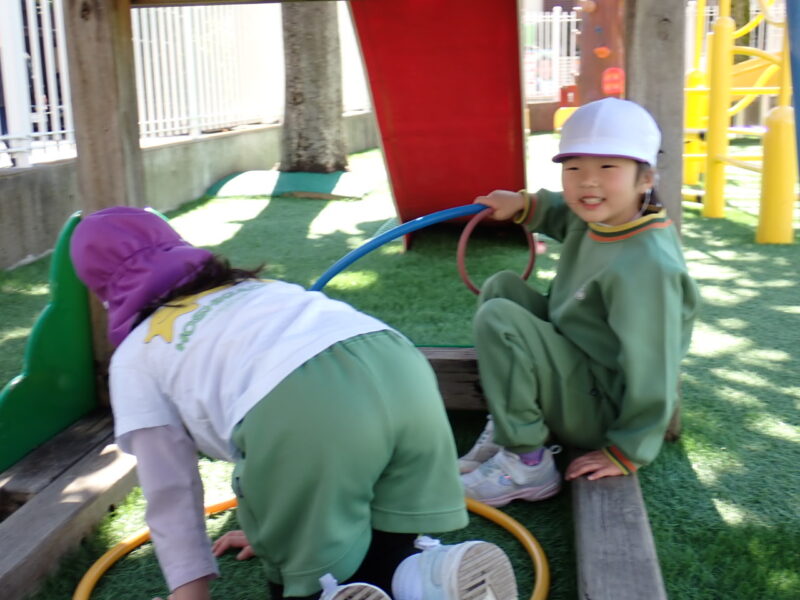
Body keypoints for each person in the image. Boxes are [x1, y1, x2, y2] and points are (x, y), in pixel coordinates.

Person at [69, 207, 518, 600]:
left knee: (308, 576)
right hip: (399, 365)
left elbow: (170, 487)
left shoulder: (135, 355)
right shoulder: (257, 288)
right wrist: (279, 519)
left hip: (304, 406)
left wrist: (190, 591)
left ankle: (329, 589)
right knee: (388, 520)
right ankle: (423, 578)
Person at [458, 97, 699, 507]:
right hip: (577, 359)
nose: (588, 182)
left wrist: (628, 448)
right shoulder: (602, 215)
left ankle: (527, 462)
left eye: (607, 168)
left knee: (500, 318)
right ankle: (509, 422)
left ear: (645, 179)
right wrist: (522, 204)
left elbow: (654, 366)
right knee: (502, 288)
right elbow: (560, 211)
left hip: (602, 405)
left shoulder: (647, 265)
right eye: (574, 169)